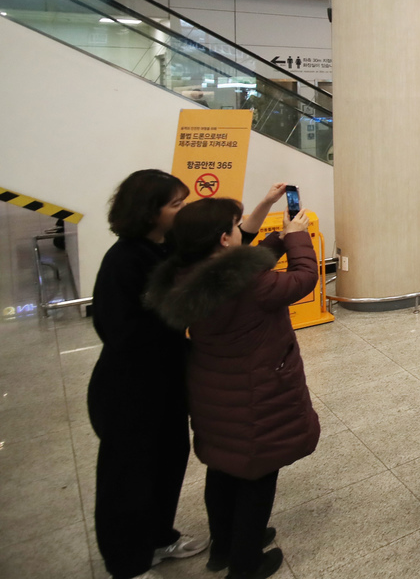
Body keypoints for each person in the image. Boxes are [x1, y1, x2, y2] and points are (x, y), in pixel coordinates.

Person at [146, 188, 319, 579]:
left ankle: (223, 547)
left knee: (223, 468)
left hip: (214, 394)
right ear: (224, 240)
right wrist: (296, 236)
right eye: (235, 229)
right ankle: (246, 564)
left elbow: (243, 263)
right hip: (257, 393)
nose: (242, 233)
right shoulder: (252, 287)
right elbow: (304, 278)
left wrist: (271, 226)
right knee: (258, 474)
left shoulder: (188, 273)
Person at [88, 170, 209, 579]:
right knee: (127, 479)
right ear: (149, 211)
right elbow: (117, 330)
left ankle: (159, 538)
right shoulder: (124, 260)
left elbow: (215, 257)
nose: (184, 210)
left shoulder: (169, 246)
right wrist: (181, 309)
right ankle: (127, 563)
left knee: (168, 463)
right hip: (130, 390)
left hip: (168, 384)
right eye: (176, 204)